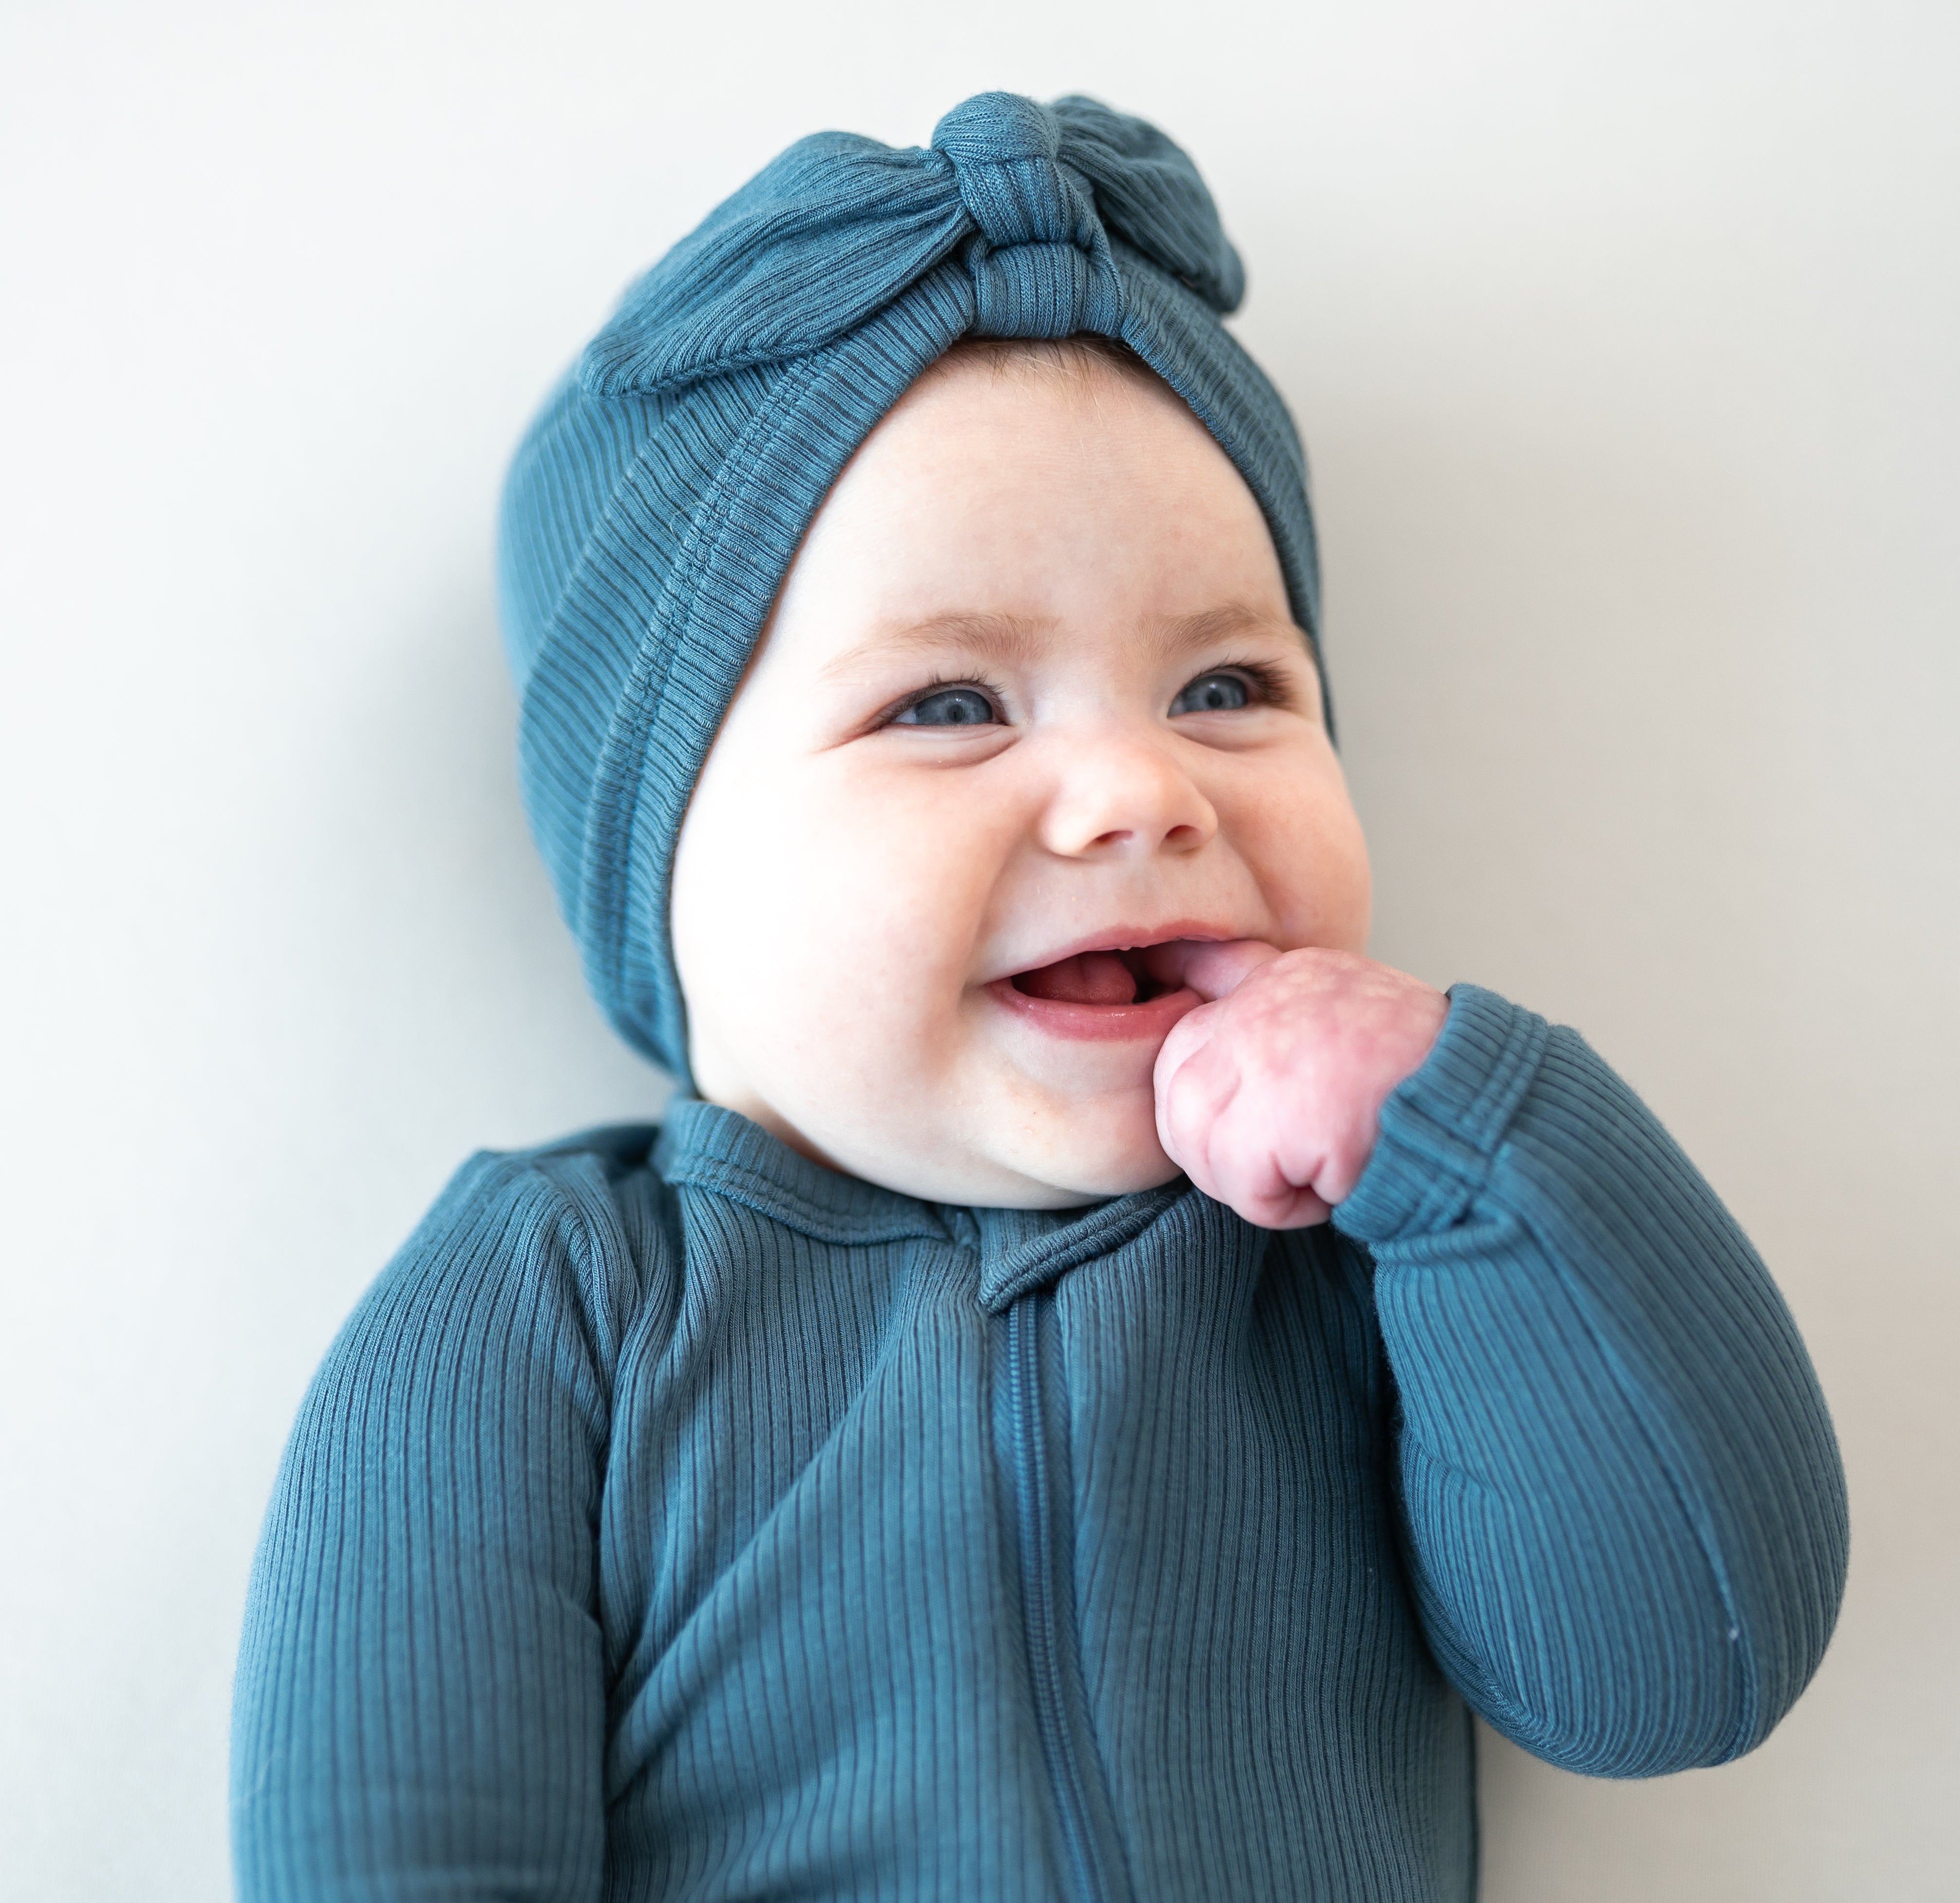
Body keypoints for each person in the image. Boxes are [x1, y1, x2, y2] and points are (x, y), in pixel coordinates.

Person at [230, 92, 1848, 1902]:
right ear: (669, 858)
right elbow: (391, 1844)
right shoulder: (553, 1310)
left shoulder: (1351, 1269)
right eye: (949, 707)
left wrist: (1473, 1141)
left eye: (1229, 686)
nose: (1142, 792)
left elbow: (1673, 1677)